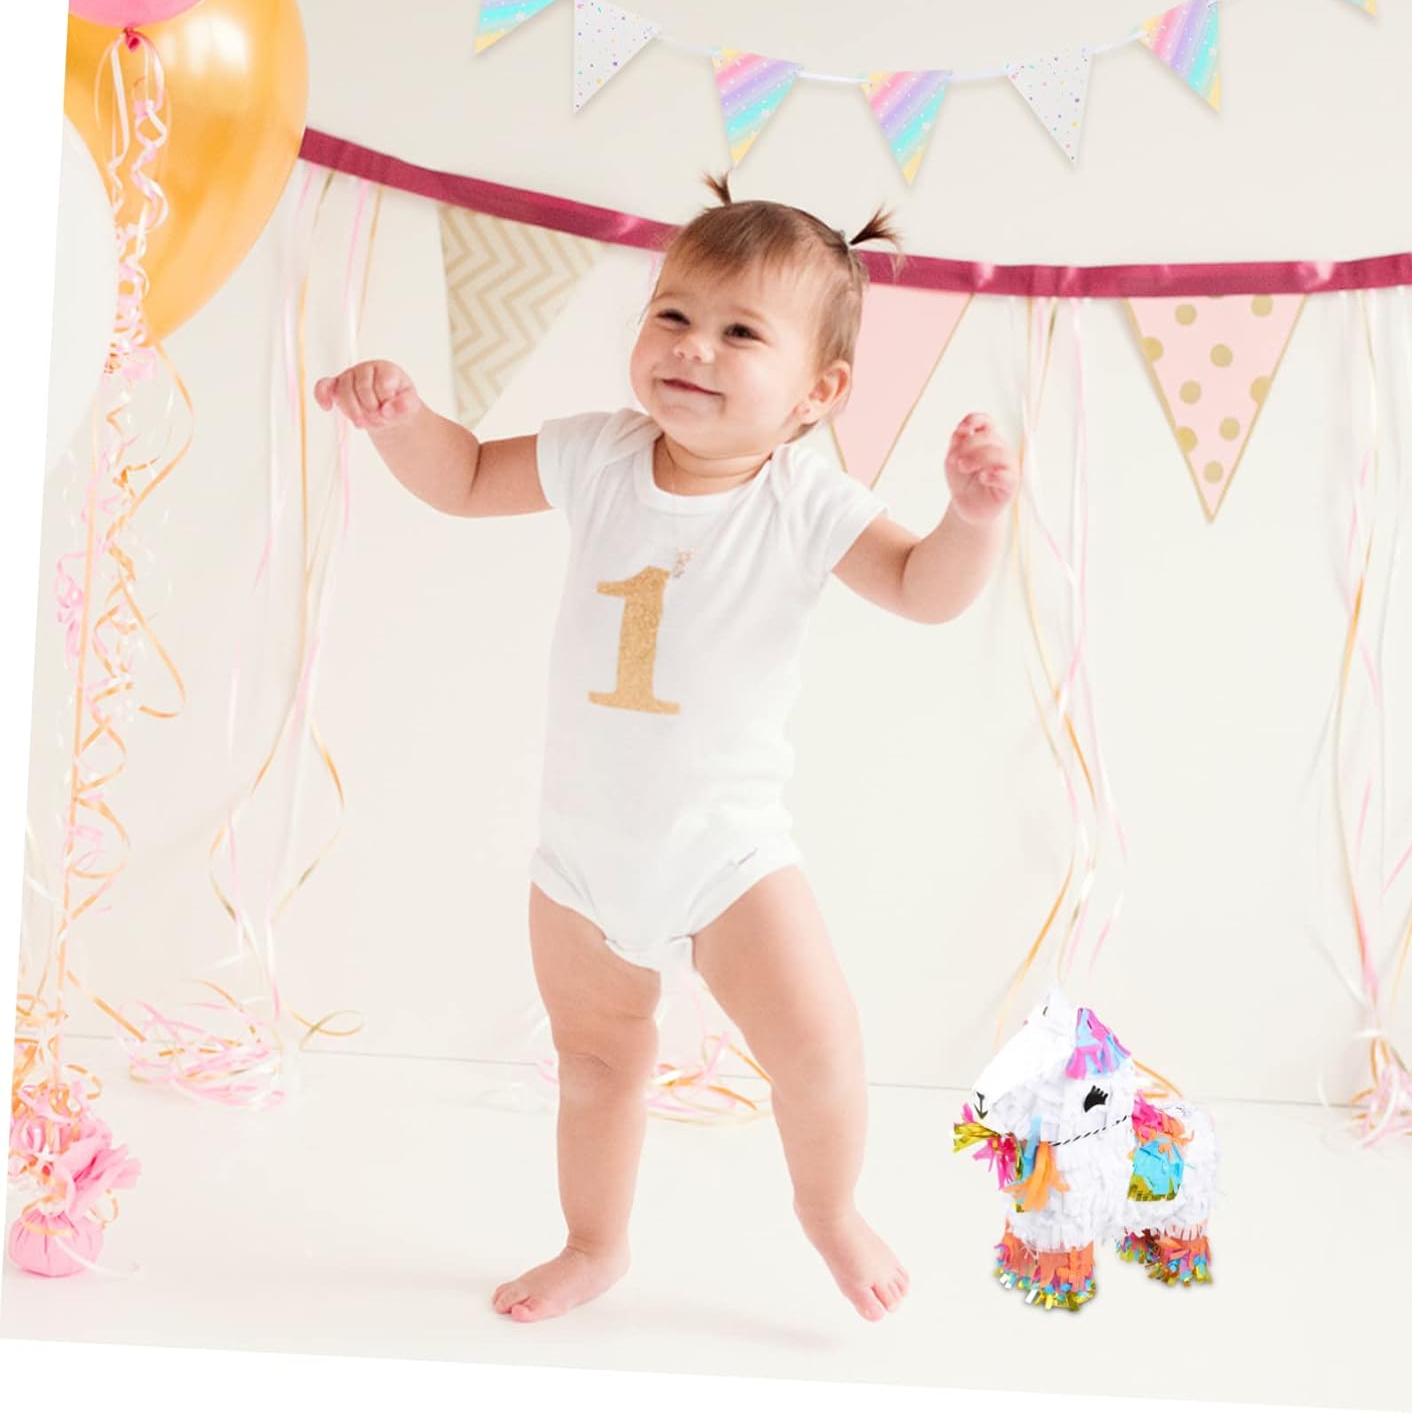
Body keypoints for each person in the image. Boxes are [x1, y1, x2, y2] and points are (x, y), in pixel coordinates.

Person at [314, 175, 1018, 1324]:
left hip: (729, 855)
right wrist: (403, 423)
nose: (693, 347)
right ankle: (594, 1244)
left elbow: (920, 590)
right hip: (582, 857)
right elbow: (465, 478)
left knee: (821, 1049)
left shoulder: (805, 500)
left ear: (818, 391)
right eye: (674, 315)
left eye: (741, 333)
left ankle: (830, 1210)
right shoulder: (599, 453)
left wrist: (970, 523)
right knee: (597, 1065)